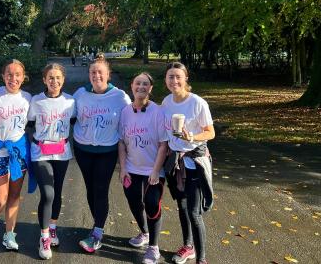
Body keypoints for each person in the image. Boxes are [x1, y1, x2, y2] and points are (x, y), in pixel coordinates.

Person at [73, 56, 131, 253]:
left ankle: (97, 232)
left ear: (108, 74)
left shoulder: (120, 96)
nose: (96, 75)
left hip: (107, 150)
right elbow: (68, 115)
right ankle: (97, 222)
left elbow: (131, 120)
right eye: (92, 72)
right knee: (90, 188)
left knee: (100, 187)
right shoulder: (80, 94)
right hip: (83, 149)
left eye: (100, 72)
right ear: (89, 75)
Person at [161, 62, 215, 264]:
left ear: (185, 79)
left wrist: (192, 136)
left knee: (194, 212)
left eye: (178, 76)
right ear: (165, 80)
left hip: (195, 161)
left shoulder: (197, 103)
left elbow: (211, 132)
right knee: (182, 206)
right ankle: (188, 246)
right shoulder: (166, 102)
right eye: (170, 77)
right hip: (176, 161)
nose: (174, 80)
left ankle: (201, 259)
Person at [0, 59, 35, 251]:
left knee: (14, 195)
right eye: (9, 74)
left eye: (17, 75)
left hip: (18, 152)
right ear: (3, 76)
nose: (13, 78)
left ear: (23, 77)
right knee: (0, 198)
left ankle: (10, 233)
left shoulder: (28, 98)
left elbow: (36, 119)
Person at [118, 72, 168, 264]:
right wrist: (123, 168)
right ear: (132, 86)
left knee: (152, 203)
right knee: (133, 201)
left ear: (150, 88)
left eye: (145, 84)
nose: (141, 87)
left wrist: (156, 171)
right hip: (131, 168)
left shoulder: (158, 112)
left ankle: (153, 247)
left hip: (152, 169)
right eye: (138, 83)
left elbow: (164, 144)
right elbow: (122, 143)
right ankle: (144, 232)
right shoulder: (125, 112)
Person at [27, 63, 76, 259]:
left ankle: (53, 226)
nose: (54, 81)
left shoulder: (71, 102)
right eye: (50, 78)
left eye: (58, 78)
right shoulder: (36, 101)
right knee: (48, 193)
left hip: (62, 152)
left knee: (57, 191)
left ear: (63, 80)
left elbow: (74, 121)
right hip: (41, 152)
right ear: (44, 80)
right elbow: (29, 124)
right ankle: (44, 236)